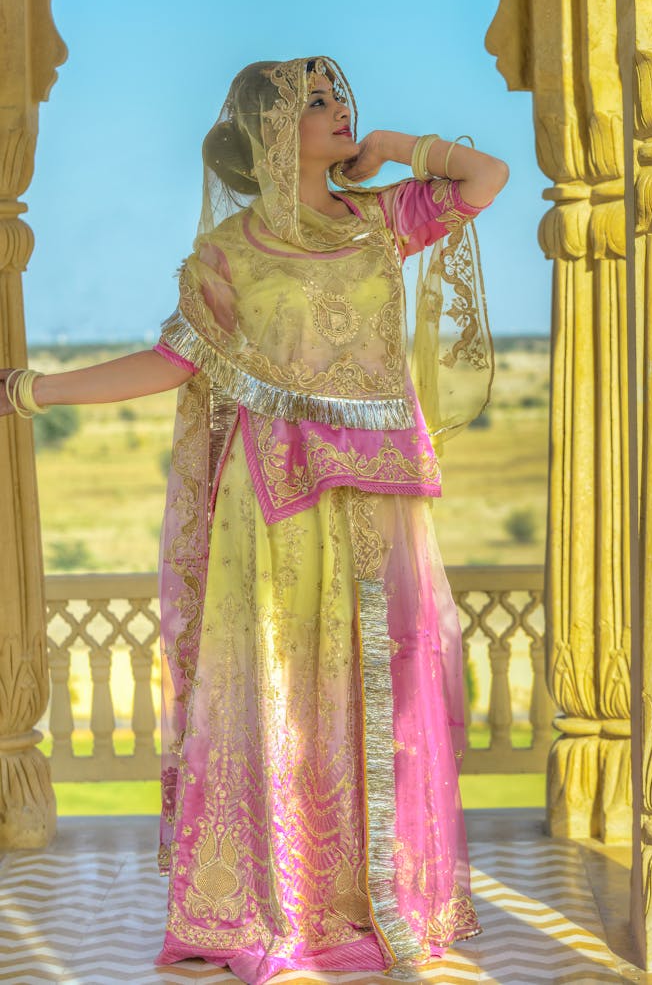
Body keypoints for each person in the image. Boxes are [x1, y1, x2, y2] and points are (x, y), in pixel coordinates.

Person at [0, 56, 508, 984]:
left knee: (371, 691)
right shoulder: (227, 255)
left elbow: (485, 179)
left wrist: (386, 151)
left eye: (340, 94)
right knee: (271, 694)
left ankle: (370, 897)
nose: (338, 108)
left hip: (375, 503)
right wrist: (30, 390)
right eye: (313, 102)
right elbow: (170, 361)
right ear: (271, 132)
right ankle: (267, 906)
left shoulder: (381, 223)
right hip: (268, 506)